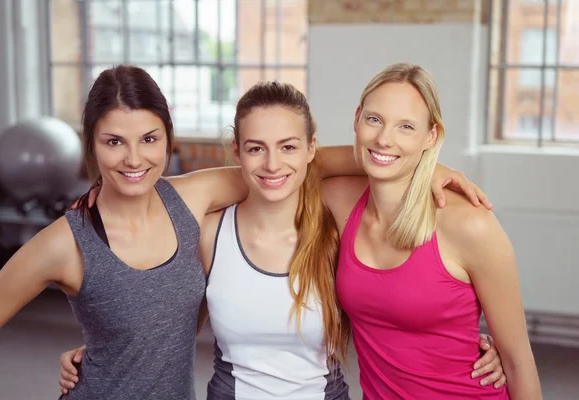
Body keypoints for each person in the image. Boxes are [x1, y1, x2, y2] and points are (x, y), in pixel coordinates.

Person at [56, 79, 505, 399]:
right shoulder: (210, 232)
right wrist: (108, 350)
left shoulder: (335, 226)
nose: (272, 163)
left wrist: (428, 167)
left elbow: (396, 304)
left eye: (289, 147)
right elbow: (168, 318)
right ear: (237, 151)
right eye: (256, 148)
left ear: (312, 148)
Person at [321, 63, 541, 399]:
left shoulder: (471, 224)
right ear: (357, 119)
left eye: (406, 127)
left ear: (432, 136)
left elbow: (517, 361)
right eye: (374, 119)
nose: (384, 137)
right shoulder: (340, 201)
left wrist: (414, 160)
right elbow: (296, 164)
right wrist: (418, 160)